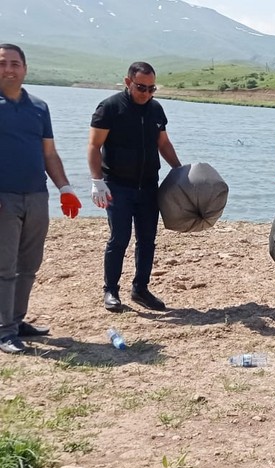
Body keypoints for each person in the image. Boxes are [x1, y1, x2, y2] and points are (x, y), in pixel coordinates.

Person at [0, 43, 82, 354]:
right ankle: (4, 331)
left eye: (15, 63)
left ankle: (16, 320)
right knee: (4, 266)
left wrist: (65, 188)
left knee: (29, 264)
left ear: (25, 68)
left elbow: (49, 153)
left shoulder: (39, 106)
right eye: (3, 63)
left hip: (36, 195)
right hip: (3, 198)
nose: (9, 69)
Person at [88, 61, 182, 312]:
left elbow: (163, 144)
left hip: (149, 186)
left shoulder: (155, 110)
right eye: (142, 87)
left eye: (152, 89)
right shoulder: (109, 108)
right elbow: (94, 146)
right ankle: (111, 291)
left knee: (147, 240)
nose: (147, 93)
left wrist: (180, 171)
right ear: (127, 82)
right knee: (119, 238)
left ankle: (141, 289)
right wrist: (97, 182)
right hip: (117, 185)